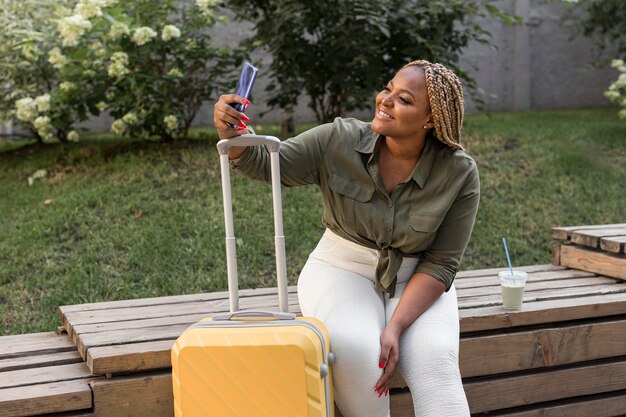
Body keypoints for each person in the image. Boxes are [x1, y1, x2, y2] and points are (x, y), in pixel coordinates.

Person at [213, 59, 479, 417]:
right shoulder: (339, 140)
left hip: (416, 279)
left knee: (436, 364)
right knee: (359, 353)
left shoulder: (458, 172)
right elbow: (266, 163)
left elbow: (441, 263)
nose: (385, 100)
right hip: (341, 270)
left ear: (430, 120)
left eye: (404, 99)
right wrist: (232, 135)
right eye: (387, 89)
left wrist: (396, 326)